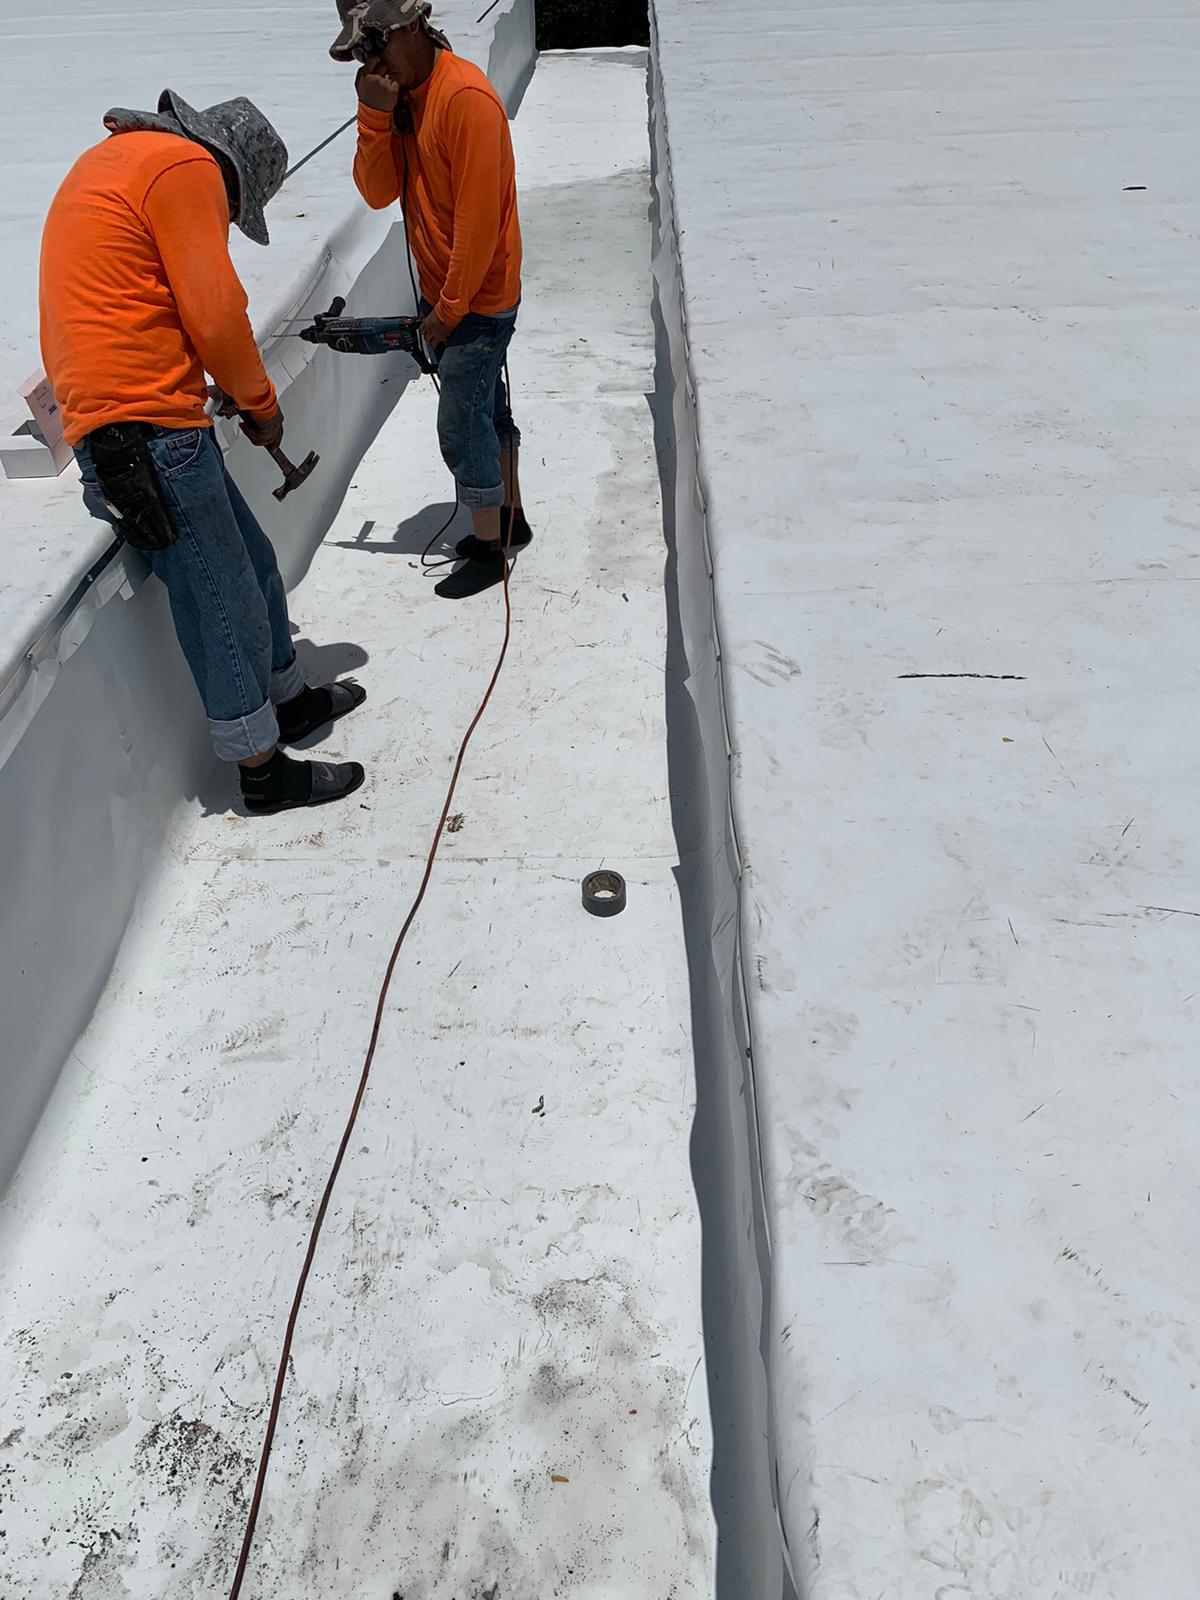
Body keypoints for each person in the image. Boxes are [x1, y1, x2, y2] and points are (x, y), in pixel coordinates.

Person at [39, 91, 367, 814]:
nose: (222, 221)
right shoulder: (183, 169)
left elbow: (139, 299)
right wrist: (261, 405)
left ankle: (290, 702)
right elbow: (215, 309)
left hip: (145, 422)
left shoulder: (130, 160)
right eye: (233, 211)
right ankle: (261, 769)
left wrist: (205, 384)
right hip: (142, 437)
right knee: (218, 599)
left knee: (250, 565)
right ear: (230, 174)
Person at [332, 0, 530, 600]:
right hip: (451, 293)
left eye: (377, 45)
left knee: (461, 422)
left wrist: (445, 315)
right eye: (363, 52)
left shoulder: (464, 100)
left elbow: (476, 226)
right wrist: (373, 116)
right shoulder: (406, 103)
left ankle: (491, 546)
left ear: (413, 27)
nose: (373, 62)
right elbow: (376, 192)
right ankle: (509, 517)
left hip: (476, 298)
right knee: (487, 410)